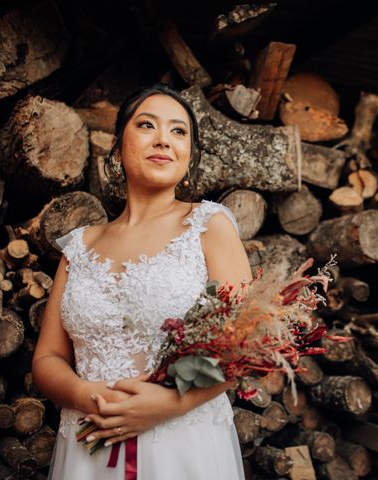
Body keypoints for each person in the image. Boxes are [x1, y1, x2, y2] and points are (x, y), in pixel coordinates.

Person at [32, 83, 251, 479]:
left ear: (190, 156)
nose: (164, 139)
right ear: (117, 149)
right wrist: (90, 396)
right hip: (89, 444)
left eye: (179, 131)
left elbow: (242, 345)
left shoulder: (208, 226)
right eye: (147, 125)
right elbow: (48, 358)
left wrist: (168, 404)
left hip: (180, 445)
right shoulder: (80, 246)